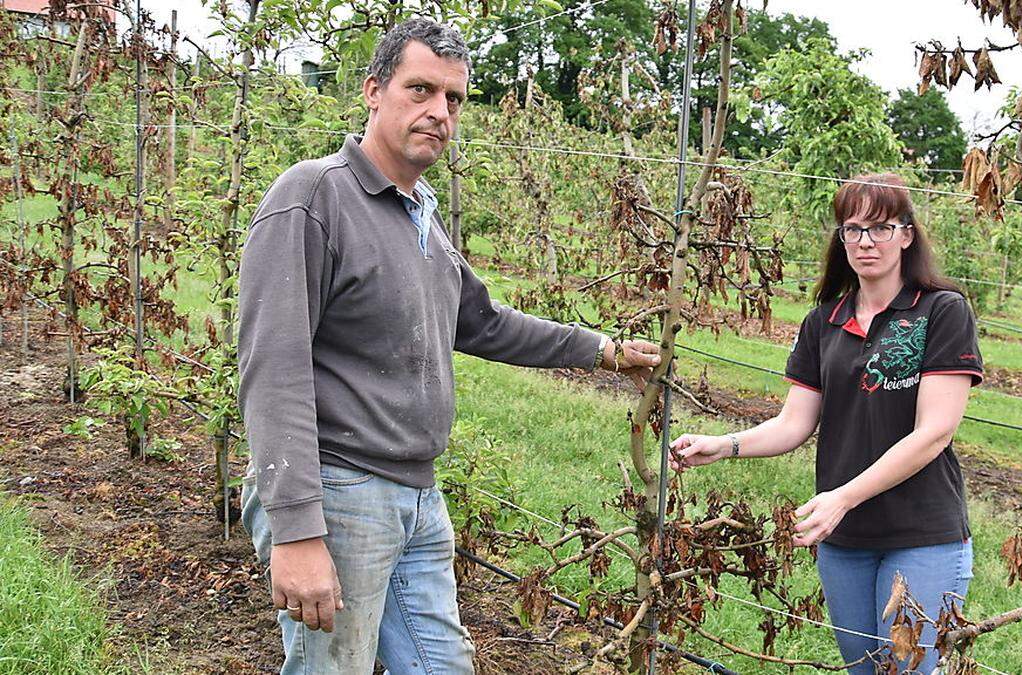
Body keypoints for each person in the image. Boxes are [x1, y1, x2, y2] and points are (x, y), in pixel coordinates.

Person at [236, 18, 661, 674]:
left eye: (453, 98)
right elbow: (273, 367)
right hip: (342, 490)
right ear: (374, 90)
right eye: (420, 89)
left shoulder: (420, 213)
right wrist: (296, 531)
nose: (438, 111)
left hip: (416, 499)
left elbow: (484, 322)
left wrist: (599, 348)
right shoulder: (315, 196)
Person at [669, 174, 982, 674]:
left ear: (906, 235)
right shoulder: (824, 321)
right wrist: (723, 444)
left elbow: (934, 432)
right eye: (852, 229)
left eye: (880, 228)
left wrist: (843, 496)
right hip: (845, 540)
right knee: (862, 669)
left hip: (922, 531)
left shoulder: (941, 311)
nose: (864, 242)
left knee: (906, 670)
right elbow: (795, 423)